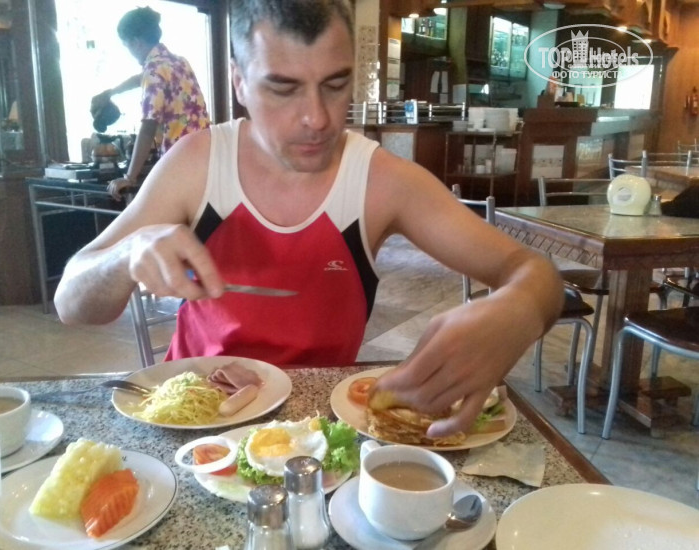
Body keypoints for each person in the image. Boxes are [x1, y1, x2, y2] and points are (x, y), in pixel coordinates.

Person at [55, 0, 564, 439]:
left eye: (335, 84)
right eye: (283, 88)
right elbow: (72, 303)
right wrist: (127, 253)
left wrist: (520, 309)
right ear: (239, 81)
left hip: (318, 431)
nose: (317, 118)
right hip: (195, 419)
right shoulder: (196, 164)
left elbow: (534, 271)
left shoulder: (380, 180)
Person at [90, 6, 210, 199]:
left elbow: (148, 128)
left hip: (180, 163)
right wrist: (111, 92)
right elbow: (141, 78)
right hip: (205, 157)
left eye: (126, 45)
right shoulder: (179, 62)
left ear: (136, 42)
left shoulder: (154, 70)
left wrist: (129, 177)